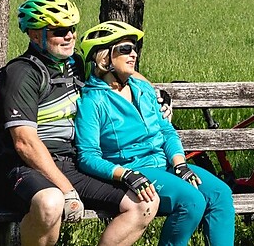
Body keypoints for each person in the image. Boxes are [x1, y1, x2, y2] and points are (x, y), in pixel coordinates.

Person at [0, 0, 157, 246]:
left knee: (144, 202)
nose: (68, 36)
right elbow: (25, 144)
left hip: (71, 163)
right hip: (24, 167)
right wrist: (67, 190)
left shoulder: (74, 64)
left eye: (72, 29)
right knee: (51, 202)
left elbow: (121, 71)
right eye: (59, 31)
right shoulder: (21, 74)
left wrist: (155, 96)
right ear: (35, 35)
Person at [74, 20, 236, 246]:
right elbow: (87, 156)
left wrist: (180, 164)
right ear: (104, 57)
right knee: (191, 201)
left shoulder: (142, 89)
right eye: (125, 49)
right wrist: (125, 174)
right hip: (134, 169)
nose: (133, 55)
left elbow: (166, 130)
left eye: (134, 49)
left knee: (220, 194)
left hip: (164, 164)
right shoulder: (93, 101)